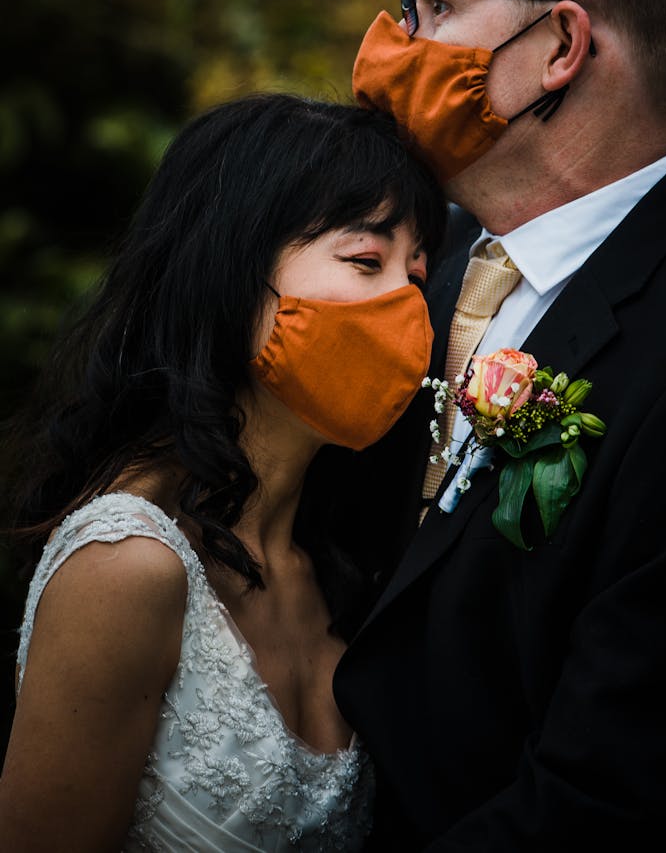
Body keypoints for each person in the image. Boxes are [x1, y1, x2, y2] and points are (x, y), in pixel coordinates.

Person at [330, 0, 666, 850]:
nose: (392, 41)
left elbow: (617, 799)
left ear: (559, 46)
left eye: (431, 8)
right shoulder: (405, 267)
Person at [0, 91, 446, 852]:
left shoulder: (349, 559)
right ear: (231, 268)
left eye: (418, 273)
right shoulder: (126, 566)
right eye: (366, 260)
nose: (406, 310)